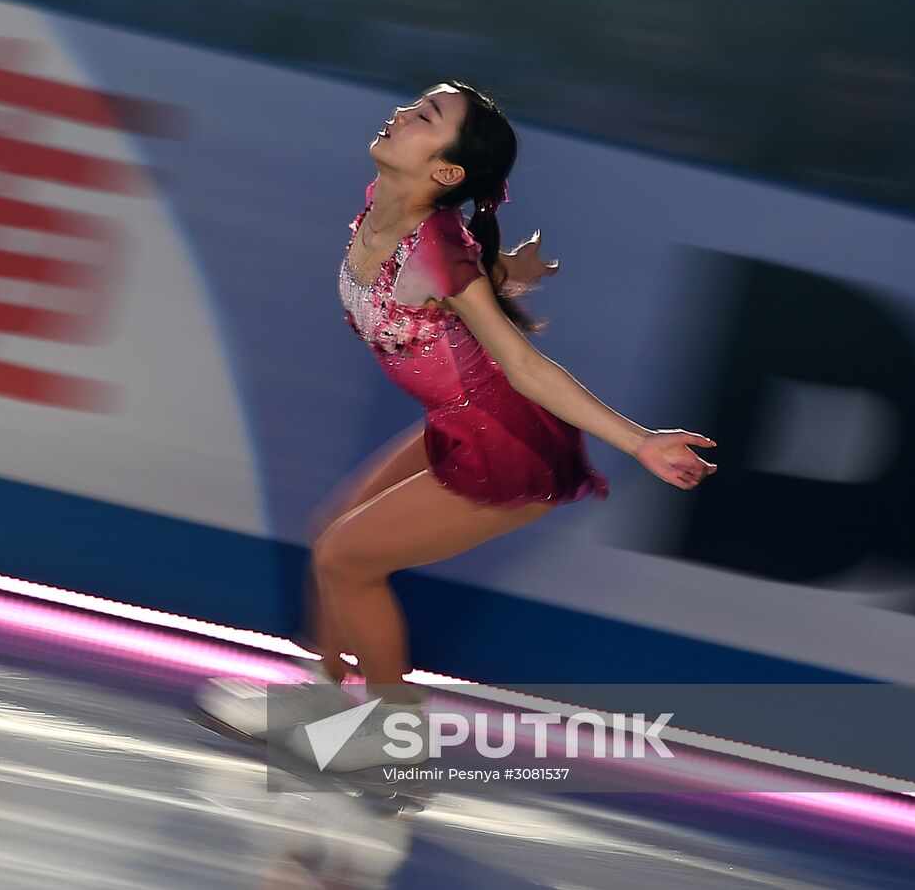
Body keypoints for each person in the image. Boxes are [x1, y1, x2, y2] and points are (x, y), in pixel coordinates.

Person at [196, 81, 718, 772]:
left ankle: (393, 729)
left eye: (424, 117)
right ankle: (321, 700)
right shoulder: (393, 212)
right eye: (415, 106)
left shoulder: (432, 243)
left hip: (507, 442)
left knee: (346, 557)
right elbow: (449, 286)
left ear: (445, 170)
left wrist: (639, 441)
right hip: (461, 418)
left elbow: (526, 366)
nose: (401, 114)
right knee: (335, 535)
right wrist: (509, 273)